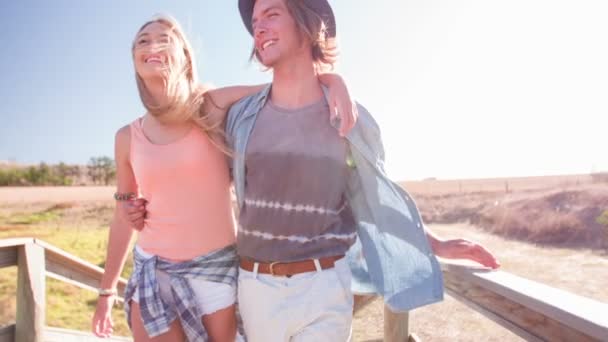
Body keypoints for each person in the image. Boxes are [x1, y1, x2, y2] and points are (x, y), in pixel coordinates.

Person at [91, 14, 357, 341]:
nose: (152, 44)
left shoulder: (210, 106)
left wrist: (334, 82)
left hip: (215, 271)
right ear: (135, 58)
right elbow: (123, 214)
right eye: (143, 40)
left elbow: (286, 87)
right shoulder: (127, 137)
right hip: (154, 270)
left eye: (164, 38)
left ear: (185, 55)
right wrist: (106, 294)